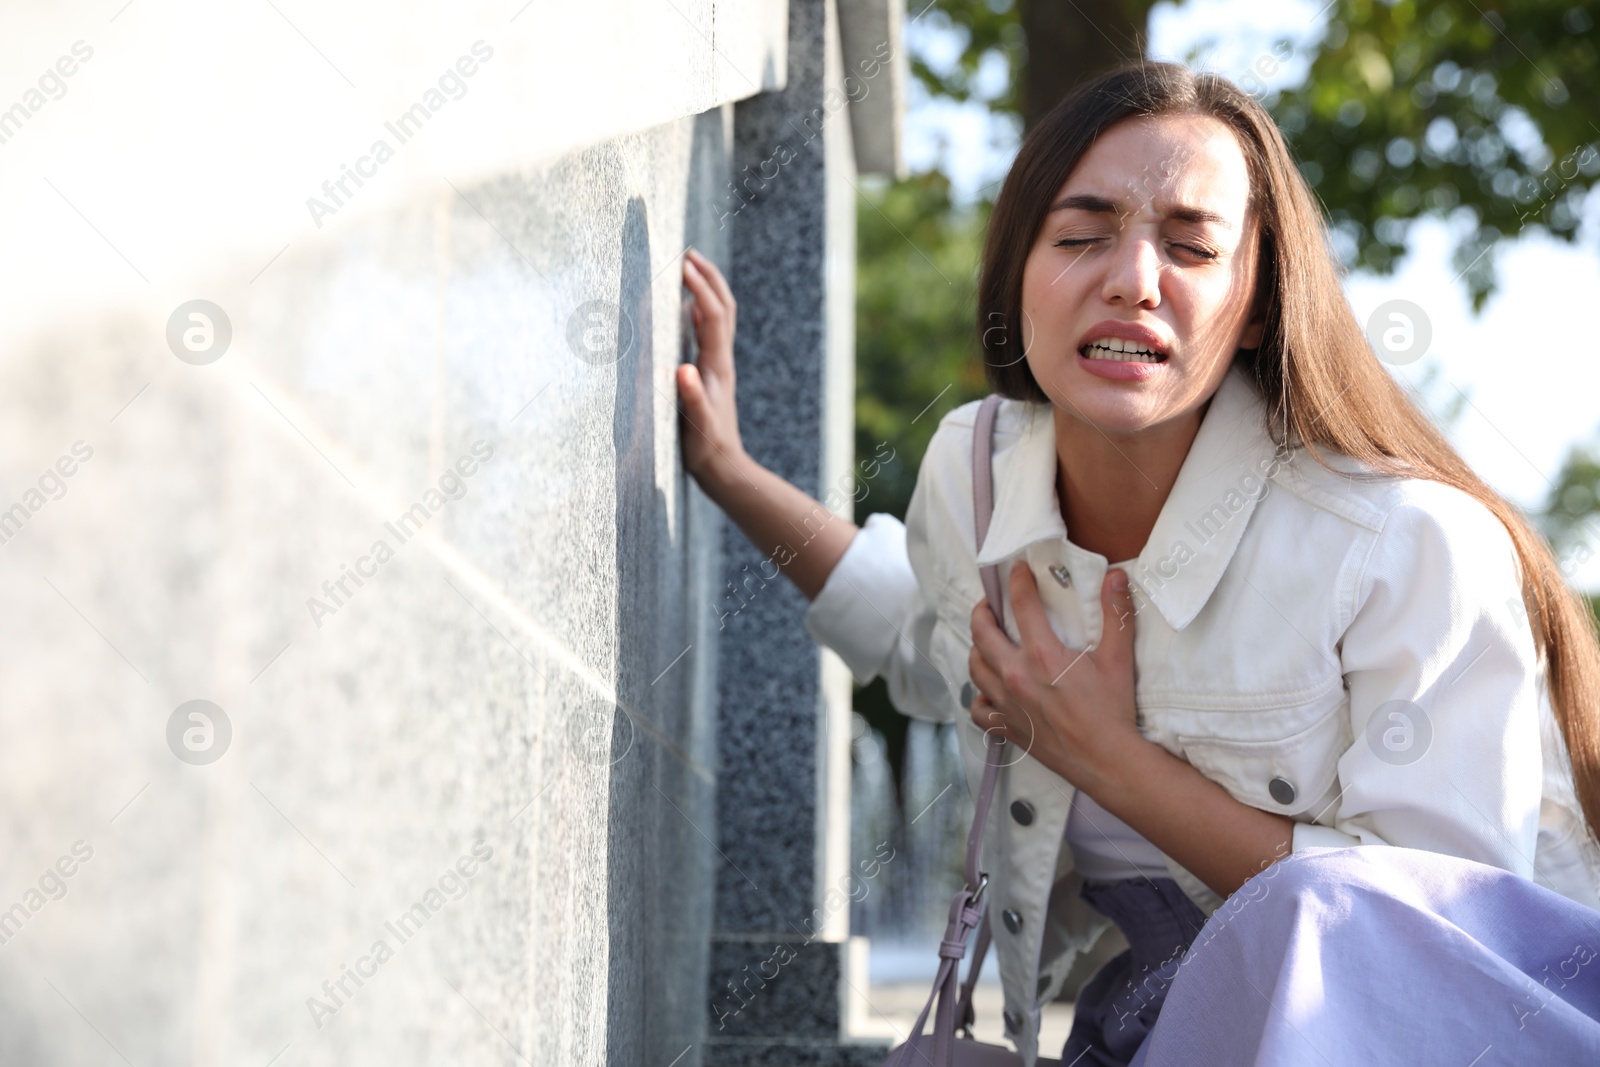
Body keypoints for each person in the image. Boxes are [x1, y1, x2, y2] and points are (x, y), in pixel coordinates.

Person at [674, 61, 1600, 1066]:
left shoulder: (1406, 543)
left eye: (1192, 247)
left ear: (1254, 305)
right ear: (1015, 270)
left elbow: (1429, 945)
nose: (1131, 279)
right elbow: (927, 632)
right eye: (1078, 236)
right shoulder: (974, 472)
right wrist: (726, 469)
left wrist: (1108, 757)